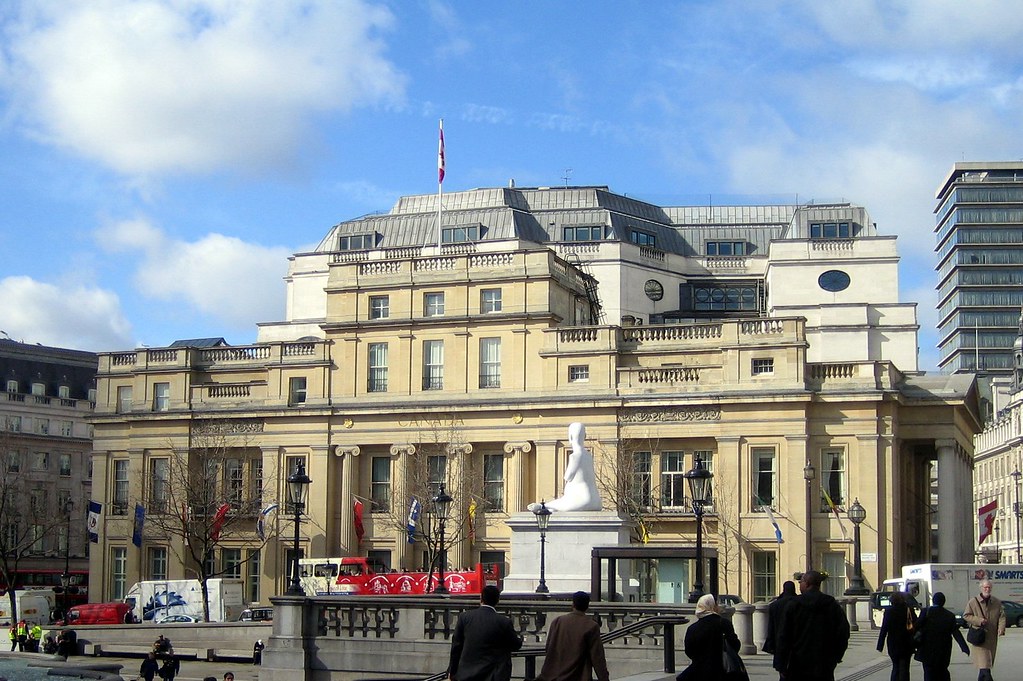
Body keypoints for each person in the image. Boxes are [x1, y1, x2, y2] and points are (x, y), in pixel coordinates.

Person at [775, 570, 850, 681]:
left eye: (801, 582)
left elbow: (783, 635)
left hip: (797, 662)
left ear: (807, 583)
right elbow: (843, 633)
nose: (800, 585)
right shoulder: (831, 604)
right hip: (824, 662)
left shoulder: (794, 605)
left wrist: (781, 664)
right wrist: (836, 656)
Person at [448, 585, 523, 681]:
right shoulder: (503, 622)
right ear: (497, 600)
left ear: (481, 598)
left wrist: (453, 672)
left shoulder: (464, 617)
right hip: (493, 676)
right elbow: (515, 645)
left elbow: (456, 647)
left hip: (466, 675)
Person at [528, 423, 602, 512]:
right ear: (585, 436)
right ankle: (545, 507)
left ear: (570, 437)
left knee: (561, 503)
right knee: (558, 506)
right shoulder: (588, 455)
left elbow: (568, 476)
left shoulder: (575, 456)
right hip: (596, 501)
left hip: (582, 501)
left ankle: (543, 506)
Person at [537, 591, 609, 681]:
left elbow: (549, 648)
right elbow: (597, 657)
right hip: (577, 676)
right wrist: (604, 678)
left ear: (573, 604)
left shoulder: (557, 622)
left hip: (553, 676)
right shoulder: (591, 626)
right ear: (587, 606)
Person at [677, 593, 741, 680]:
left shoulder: (692, 628)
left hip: (699, 672)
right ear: (713, 607)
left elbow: (689, 651)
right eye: (716, 604)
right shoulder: (724, 623)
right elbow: (735, 645)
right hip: (722, 671)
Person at [914, 592, 968, 681]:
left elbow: (917, 626)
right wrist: (964, 646)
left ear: (933, 601)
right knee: (942, 671)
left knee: (928, 672)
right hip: (943, 649)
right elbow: (956, 632)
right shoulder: (949, 615)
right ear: (944, 602)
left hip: (927, 648)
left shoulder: (926, 612)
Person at [963, 580, 1006, 681]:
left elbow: (1002, 616)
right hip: (980, 639)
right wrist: (979, 620)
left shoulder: (996, 602)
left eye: (989, 587)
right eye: (985, 587)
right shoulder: (973, 602)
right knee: (985, 668)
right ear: (981, 588)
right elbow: (966, 615)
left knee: (984, 668)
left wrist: (1001, 628)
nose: (987, 589)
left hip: (991, 639)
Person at [877, 590, 917, 681]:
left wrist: (880, 645)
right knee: (905, 667)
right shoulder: (908, 610)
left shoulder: (889, 612)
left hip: (893, 643)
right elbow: (916, 624)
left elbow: (884, 628)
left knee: (896, 666)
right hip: (907, 642)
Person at [762, 580, 797, 677]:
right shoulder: (799, 603)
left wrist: (770, 645)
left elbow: (771, 627)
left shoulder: (775, 605)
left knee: (783, 673)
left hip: (780, 643)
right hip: (796, 643)